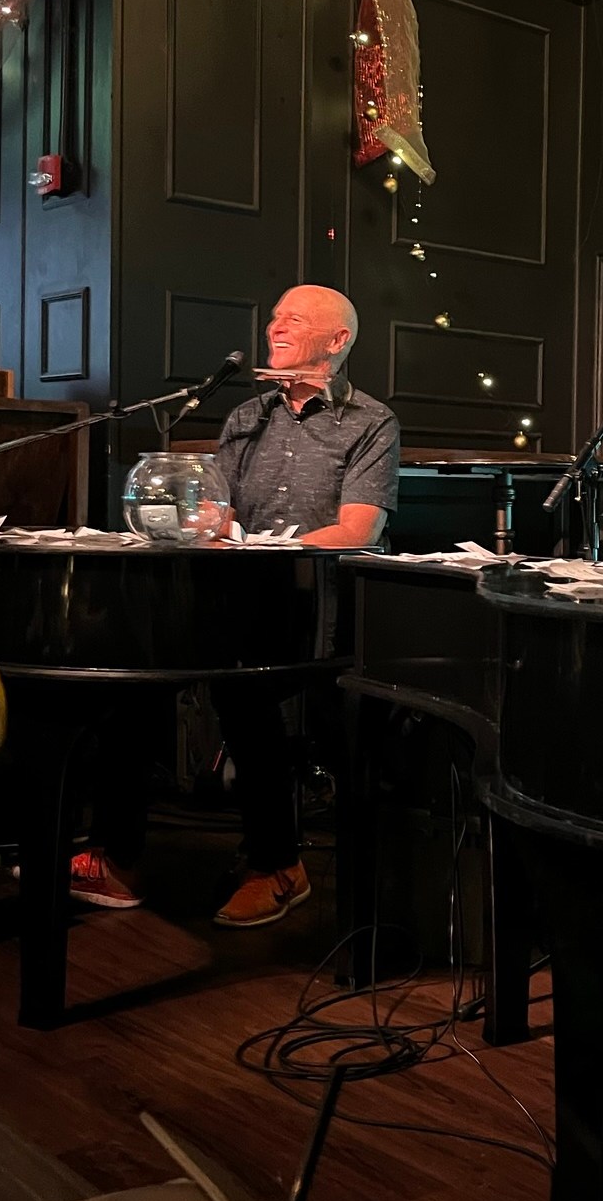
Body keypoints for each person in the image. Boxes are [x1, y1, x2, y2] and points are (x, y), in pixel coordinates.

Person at [70, 285, 400, 928]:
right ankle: (115, 857)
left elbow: (357, 531)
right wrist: (196, 523)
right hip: (231, 594)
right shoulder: (247, 416)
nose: (275, 327)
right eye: (274, 317)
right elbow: (216, 510)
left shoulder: (370, 421)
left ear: (337, 341)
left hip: (314, 604)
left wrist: (261, 545)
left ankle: (277, 865)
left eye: (294, 319)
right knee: (132, 680)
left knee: (246, 693)